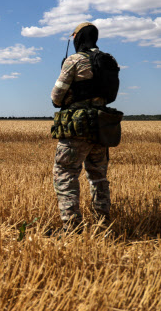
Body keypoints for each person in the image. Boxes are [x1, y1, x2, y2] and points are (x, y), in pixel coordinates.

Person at [51, 22, 111, 232]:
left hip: (78, 127)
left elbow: (56, 97)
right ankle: (103, 225)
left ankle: (71, 227)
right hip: (102, 126)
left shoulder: (74, 60)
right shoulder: (107, 60)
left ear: (79, 38)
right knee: (99, 176)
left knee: (65, 173)